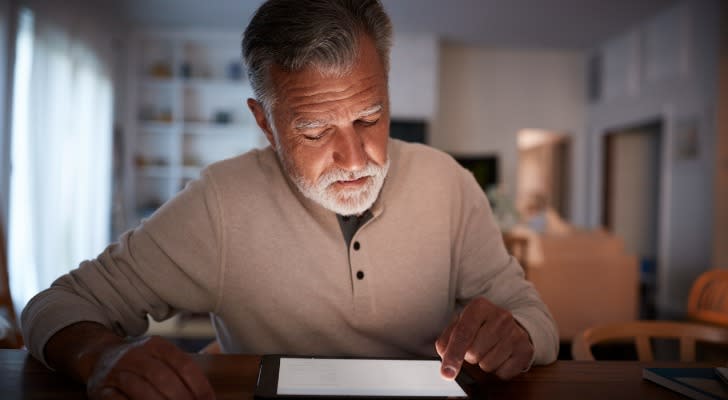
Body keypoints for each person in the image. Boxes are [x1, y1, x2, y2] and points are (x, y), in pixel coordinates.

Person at [21, 0, 558, 398]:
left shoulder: (449, 183)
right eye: (315, 131)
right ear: (266, 123)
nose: (354, 159)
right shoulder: (220, 204)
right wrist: (103, 353)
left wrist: (519, 335)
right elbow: (55, 306)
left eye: (369, 117)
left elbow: (534, 317)